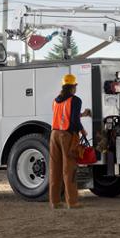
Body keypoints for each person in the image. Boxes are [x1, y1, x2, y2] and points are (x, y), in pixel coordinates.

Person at [49, 74, 92, 210]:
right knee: (69, 170)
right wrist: (83, 131)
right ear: (73, 86)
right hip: (66, 136)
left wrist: (81, 114)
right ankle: (72, 202)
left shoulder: (56, 100)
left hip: (54, 135)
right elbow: (73, 120)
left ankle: (55, 202)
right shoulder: (75, 100)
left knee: (54, 169)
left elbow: (64, 115)